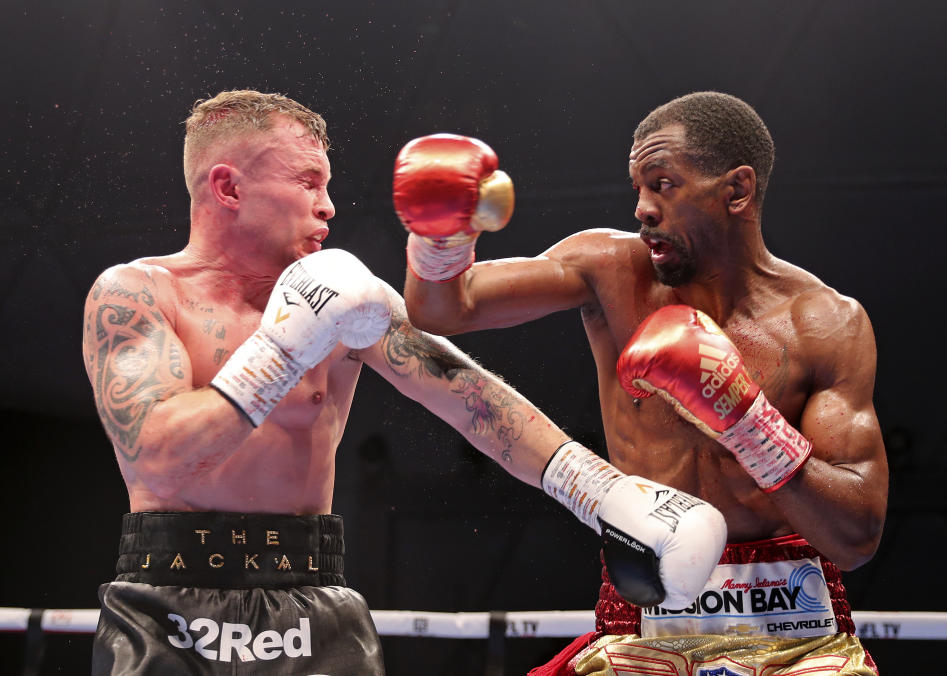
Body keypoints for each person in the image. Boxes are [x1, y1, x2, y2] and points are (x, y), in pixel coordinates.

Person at [81, 90, 727, 675]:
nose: (328, 204)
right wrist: (282, 346)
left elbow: (468, 397)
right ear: (228, 189)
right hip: (166, 606)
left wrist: (607, 495)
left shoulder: (346, 297)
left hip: (310, 601)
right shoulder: (137, 296)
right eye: (307, 182)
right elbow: (162, 459)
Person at [395, 91, 888, 674]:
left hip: (797, 635)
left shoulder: (825, 323)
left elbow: (856, 536)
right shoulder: (611, 269)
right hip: (642, 633)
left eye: (663, 184)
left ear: (737, 190)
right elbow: (447, 308)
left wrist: (745, 420)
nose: (643, 208)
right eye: (638, 188)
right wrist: (438, 238)